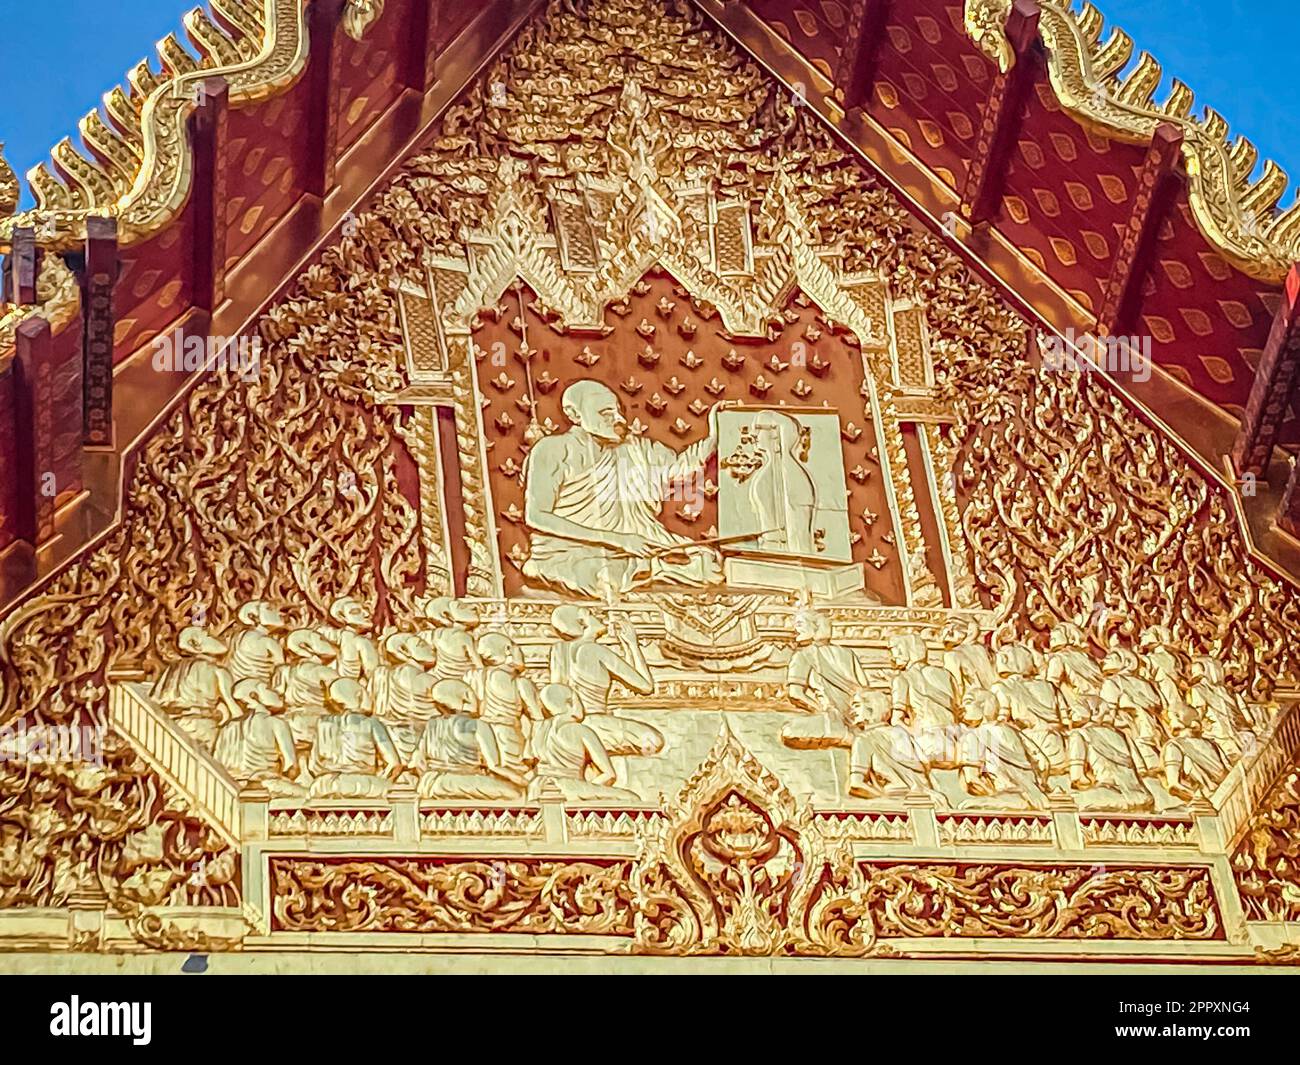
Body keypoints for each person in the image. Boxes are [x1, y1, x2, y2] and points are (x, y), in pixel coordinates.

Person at [521, 380, 724, 597]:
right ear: (575, 414)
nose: (619, 419)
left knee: (704, 562)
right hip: (573, 550)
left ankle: (647, 569)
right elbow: (537, 516)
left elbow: (680, 468)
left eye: (618, 411)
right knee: (605, 576)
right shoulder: (552, 449)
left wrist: (714, 437)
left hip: (638, 545)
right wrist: (620, 540)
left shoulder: (635, 449)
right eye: (605, 413)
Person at [548, 605, 663, 757]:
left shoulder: (558, 651)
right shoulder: (593, 650)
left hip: (565, 729)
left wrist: (626, 648)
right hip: (595, 724)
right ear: (582, 623)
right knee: (653, 740)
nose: (597, 615)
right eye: (590, 613)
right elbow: (646, 686)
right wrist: (633, 645)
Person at [413, 680, 526, 801]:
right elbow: (494, 766)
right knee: (515, 794)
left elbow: (418, 761)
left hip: (432, 784)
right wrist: (522, 781)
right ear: (464, 698)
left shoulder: (431, 724)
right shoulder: (477, 725)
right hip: (466, 781)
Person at [528, 684, 640, 802]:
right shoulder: (581, 730)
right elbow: (609, 775)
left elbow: (528, 760)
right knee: (632, 798)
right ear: (570, 703)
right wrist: (587, 788)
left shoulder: (537, 729)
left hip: (536, 787)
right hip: (569, 786)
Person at [307, 678, 402, 799]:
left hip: (324, 785)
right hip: (363, 784)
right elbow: (394, 763)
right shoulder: (371, 723)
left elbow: (313, 766)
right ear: (359, 695)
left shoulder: (322, 724)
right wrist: (383, 780)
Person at [956, 689, 1049, 810]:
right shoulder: (1015, 732)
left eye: (968, 702)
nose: (962, 708)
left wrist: (992, 795)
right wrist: (1039, 785)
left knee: (966, 806)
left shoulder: (973, 736)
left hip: (1008, 797)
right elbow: (1043, 763)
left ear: (983, 705)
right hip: (1036, 796)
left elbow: (971, 779)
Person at [150, 626, 242, 745]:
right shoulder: (217, 671)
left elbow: (155, 700)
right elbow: (235, 711)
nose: (217, 638)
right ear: (196, 645)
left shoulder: (173, 669)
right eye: (208, 635)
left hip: (173, 727)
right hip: (204, 729)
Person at [214, 681, 304, 798]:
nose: (276, 692)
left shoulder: (227, 728)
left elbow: (216, 765)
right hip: (265, 784)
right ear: (254, 695)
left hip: (228, 787)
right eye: (268, 688)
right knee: (311, 796)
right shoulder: (276, 723)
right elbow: (292, 767)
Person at [787, 609, 870, 723]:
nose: (795, 630)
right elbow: (865, 689)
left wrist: (822, 711)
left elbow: (795, 694)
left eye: (799, 624)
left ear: (815, 626)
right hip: (854, 716)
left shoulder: (803, 655)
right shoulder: (847, 653)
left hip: (830, 718)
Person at [844, 690, 931, 800]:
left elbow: (856, 785)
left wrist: (883, 798)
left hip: (896, 798)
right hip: (926, 796)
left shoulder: (864, 739)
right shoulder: (902, 733)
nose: (851, 712)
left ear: (872, 707)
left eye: (857, 705)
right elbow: (925, 764)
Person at [478, 632, 542, 774]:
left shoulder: (475, 677)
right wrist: (529, 750)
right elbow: (538, 719)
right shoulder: (521, 683)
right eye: (517, 647)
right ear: (508, 650)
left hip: (476, 741)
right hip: (507, 740)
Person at [225, 601, 288, 683]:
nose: (278, 613)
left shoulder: (241, 636)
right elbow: (283, 671)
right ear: (253, 617)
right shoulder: (268, 642)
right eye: (269, 609)